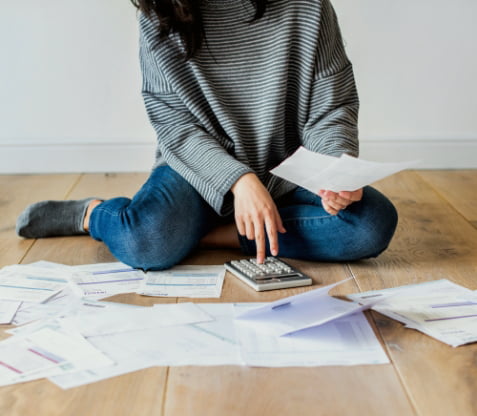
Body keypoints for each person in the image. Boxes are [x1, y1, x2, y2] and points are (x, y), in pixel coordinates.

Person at [16, 0, 398, 269]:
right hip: (198, 168)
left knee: (370, 224)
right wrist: (239, 181)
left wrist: (334, 173)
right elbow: (174, 124)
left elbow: (332, 103)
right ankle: (93, 214)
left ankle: (209, 235)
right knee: (145, 241)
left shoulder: (309, 6)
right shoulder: (160, 12)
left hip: (288, 170)